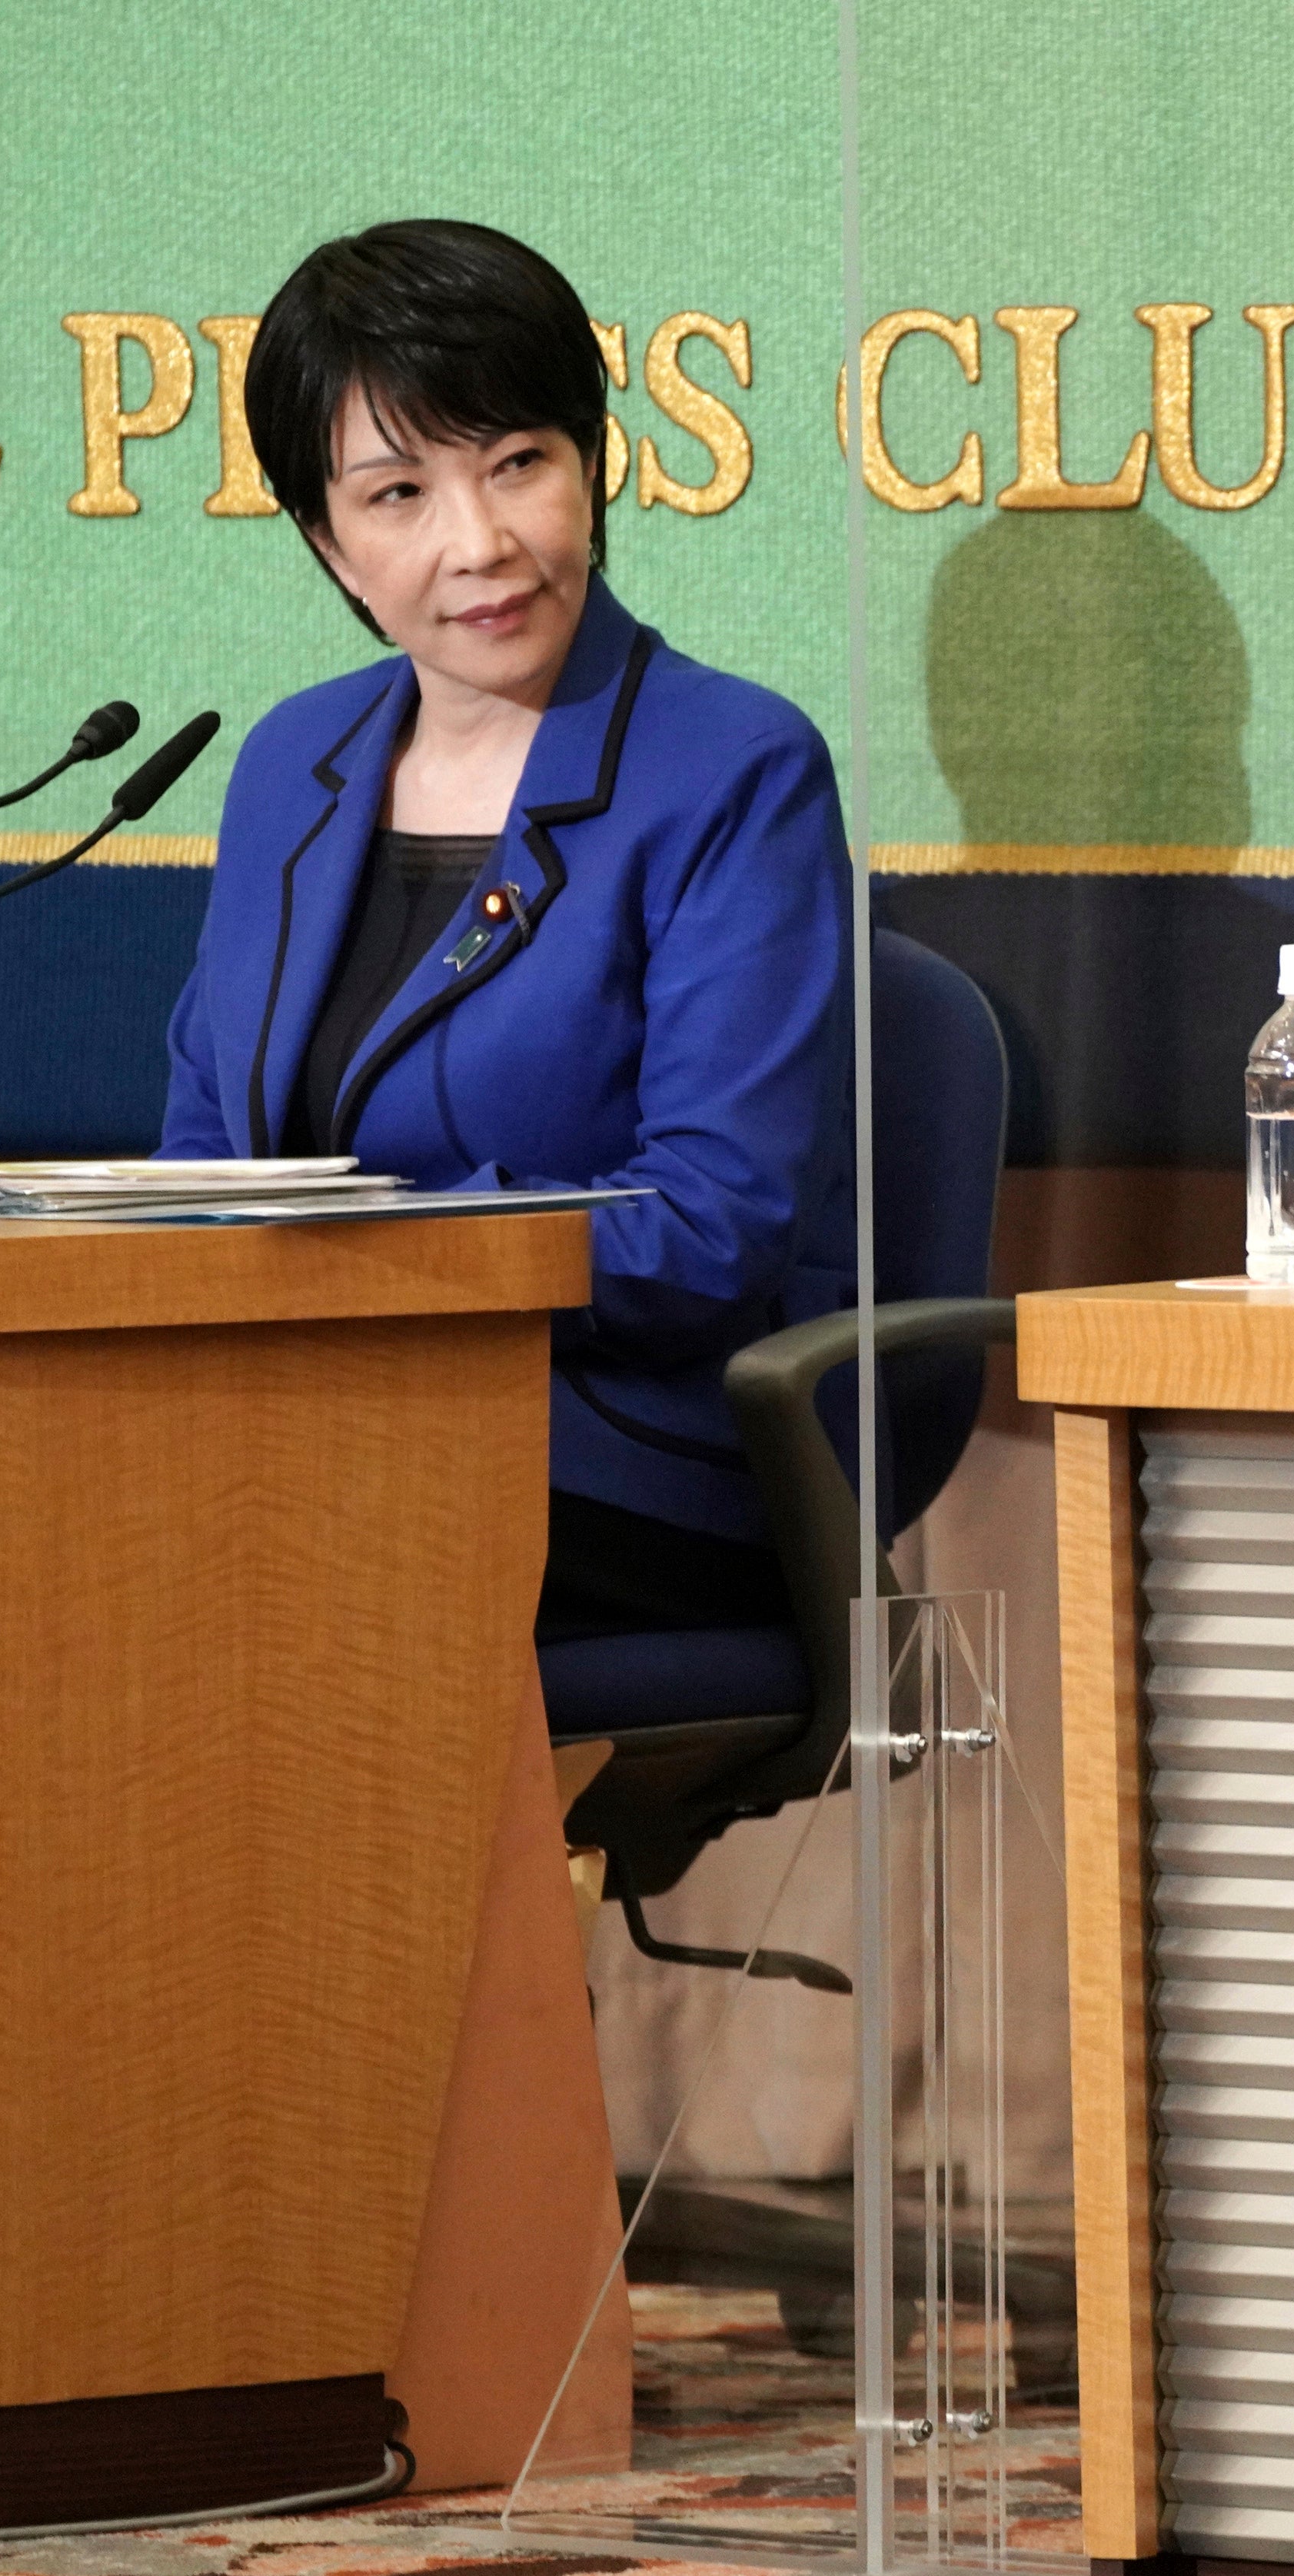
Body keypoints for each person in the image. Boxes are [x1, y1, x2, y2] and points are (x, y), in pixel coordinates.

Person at [158, 218, 851, 1645]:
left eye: (518, 463)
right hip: (324, 1423)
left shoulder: (732, 765)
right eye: (399, 492)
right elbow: (200, 1153)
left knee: (236, 1562)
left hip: (626, 1450)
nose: (480, 543)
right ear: (329, 545)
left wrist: (380, 1264)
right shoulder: (295, 763)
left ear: (593, 464)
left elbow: (711, 1231)